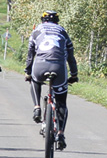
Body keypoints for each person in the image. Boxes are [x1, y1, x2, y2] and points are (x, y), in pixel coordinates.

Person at [24, 10, 78, 150]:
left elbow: (30, 53)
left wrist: (27, 72)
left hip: (40, 65)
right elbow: (70, 57)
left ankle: (36, 107)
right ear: (57, 21)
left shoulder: (37, 30)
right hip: (59, 67)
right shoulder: (62, 31)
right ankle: (60, 134)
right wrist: (74, 74)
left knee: (34, 81)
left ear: (43, 20)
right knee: (61, 103)